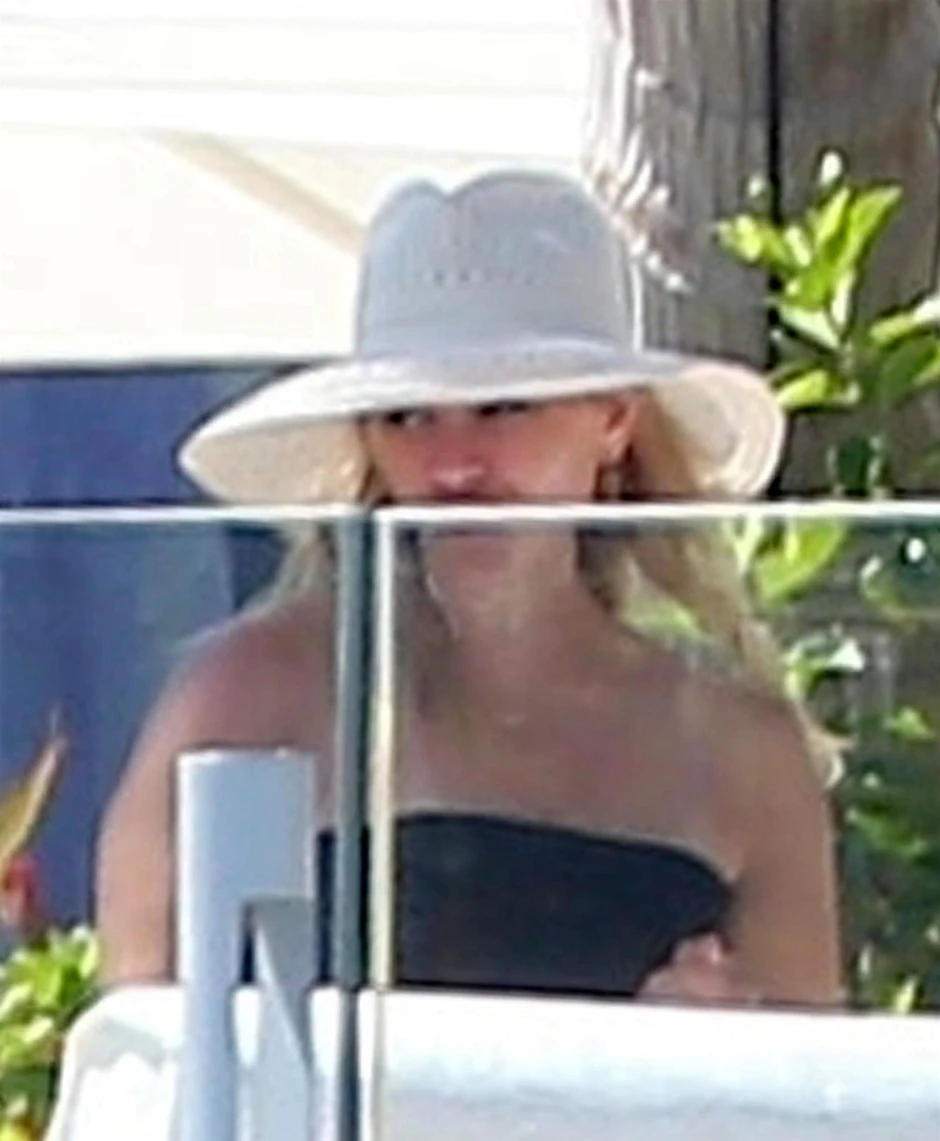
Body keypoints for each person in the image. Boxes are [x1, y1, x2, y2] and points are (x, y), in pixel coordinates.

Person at [96, 170, 843, 1006]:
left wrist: (713, 1049)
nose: (453, 465)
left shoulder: (740, 749)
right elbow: (145, 1049)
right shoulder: (249, 698)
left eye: (504, 408)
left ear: (614, 421)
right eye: (408, 417)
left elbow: (809, 1072)